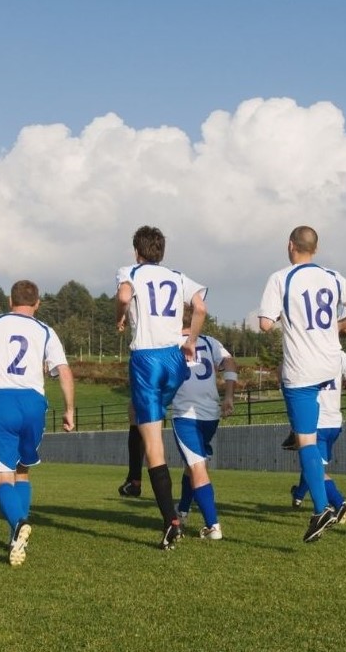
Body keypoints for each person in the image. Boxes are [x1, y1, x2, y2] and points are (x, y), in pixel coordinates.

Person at [258, 226, 346, 543]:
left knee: (305, 441)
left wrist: (280, 316)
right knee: (309, 440)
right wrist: (340, 326)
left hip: (300, 369)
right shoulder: (333, 277)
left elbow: (265, 324)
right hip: (328, 364)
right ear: (316, 249)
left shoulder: (281, 278)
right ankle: (322, 507)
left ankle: (322, 508)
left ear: (290, 246)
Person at [0, 280, 76, 566]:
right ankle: (17, 539)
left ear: (9, 300)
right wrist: (69, 410)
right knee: (22, 471)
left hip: (1, 402)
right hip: (34, 404)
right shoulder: (45, 330)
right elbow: (63, 371)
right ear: (37, 303)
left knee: (2, 476)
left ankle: (18, 523)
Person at [115, 225, 208, 549]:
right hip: (174, 359)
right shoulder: (178, 275)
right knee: (136, 413)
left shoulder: (131, 271)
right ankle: (133, 478)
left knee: (153, 441)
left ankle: (170, 521)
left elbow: (125, 296)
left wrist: (121, 315)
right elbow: (200, 307)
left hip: (147, 360)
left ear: (137, 251)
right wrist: (191, 341)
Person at [172, 314, 237, 540]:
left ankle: (213, 526)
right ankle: (183, 510)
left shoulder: (169, 341)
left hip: (186, 414)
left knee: (197, 467)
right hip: (210, 415)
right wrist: (228, 395)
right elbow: (230, 362)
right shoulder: (210, 341)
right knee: (192, 465)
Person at [289, 353, 346, 527]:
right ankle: (298, 495)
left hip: (316, 419)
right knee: (313, 464)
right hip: (334, 421)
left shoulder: (307, 350)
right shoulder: (340, 355)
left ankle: (339, 503)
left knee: (313, 466)